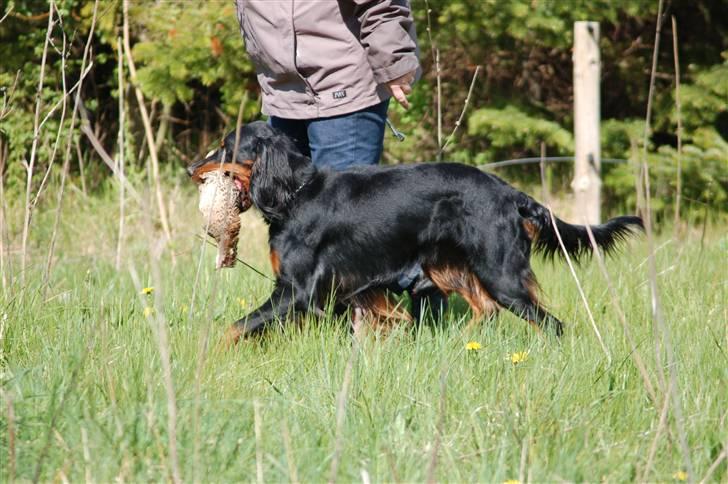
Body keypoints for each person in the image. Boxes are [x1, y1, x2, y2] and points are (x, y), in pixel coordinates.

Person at [234, 0, 445, 320]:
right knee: (297, 232)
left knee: (348, 231)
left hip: (344, 83)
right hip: (282, 90)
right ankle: (310, 321)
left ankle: (416, 278)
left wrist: (393, 59)